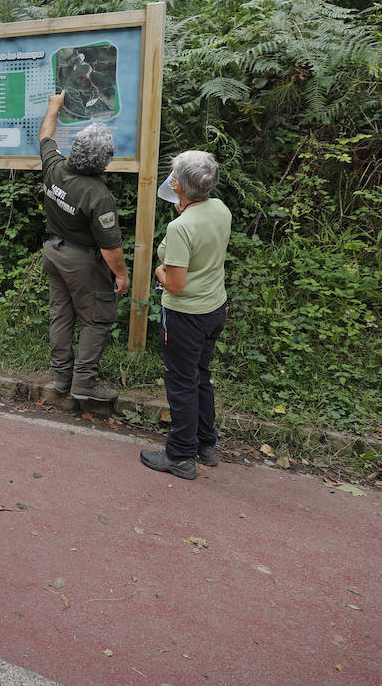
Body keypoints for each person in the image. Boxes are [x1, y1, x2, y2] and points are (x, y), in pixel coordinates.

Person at [140, 151, 232, 481]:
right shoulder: (219, 208)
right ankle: (206, 445)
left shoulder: (180, 227)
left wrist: (158, 270)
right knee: (200, 376)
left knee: (181, 383)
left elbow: (175, 285)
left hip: (185, 316)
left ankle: (179, 456)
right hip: (214, 308)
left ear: (176, 184)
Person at [37, 91, 130, 403]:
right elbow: (110, 247)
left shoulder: (54, 167)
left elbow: (45, 136)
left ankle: (62, 377)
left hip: (52, 252)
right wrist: (121, 276)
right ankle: (84, 383)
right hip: (80, 260)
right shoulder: (98, 194)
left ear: (75, 149)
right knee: (97, 318)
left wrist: (53, 107)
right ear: (103, 161)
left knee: (61, 315)